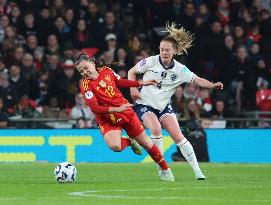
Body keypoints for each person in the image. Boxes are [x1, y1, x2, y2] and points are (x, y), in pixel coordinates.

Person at [128, 22, 223, 180]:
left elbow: (197, 80)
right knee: (156, 129)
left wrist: (212, 85)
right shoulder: (150, 62)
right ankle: (162, 169)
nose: (164, 52)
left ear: (174, 51)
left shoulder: (180, 70)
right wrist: (132, 88)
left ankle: (197, 171)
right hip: (144, 104)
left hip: (164, 107)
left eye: (167, 50)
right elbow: (132, 72)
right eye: (161, 49)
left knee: (178, 136)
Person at [75, 53, 174, 181]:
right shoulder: (85, 85)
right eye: (81, 71)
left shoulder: (107, 70)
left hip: (125, 113)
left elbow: (120, 82)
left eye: (86, 67)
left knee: (146, 143)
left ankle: (165, 169)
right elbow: (95, 108)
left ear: (93, 63)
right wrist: (117, 109)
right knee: (115, 146)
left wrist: (141, 83)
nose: (85, 72)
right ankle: (130, 141)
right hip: (106, 118)